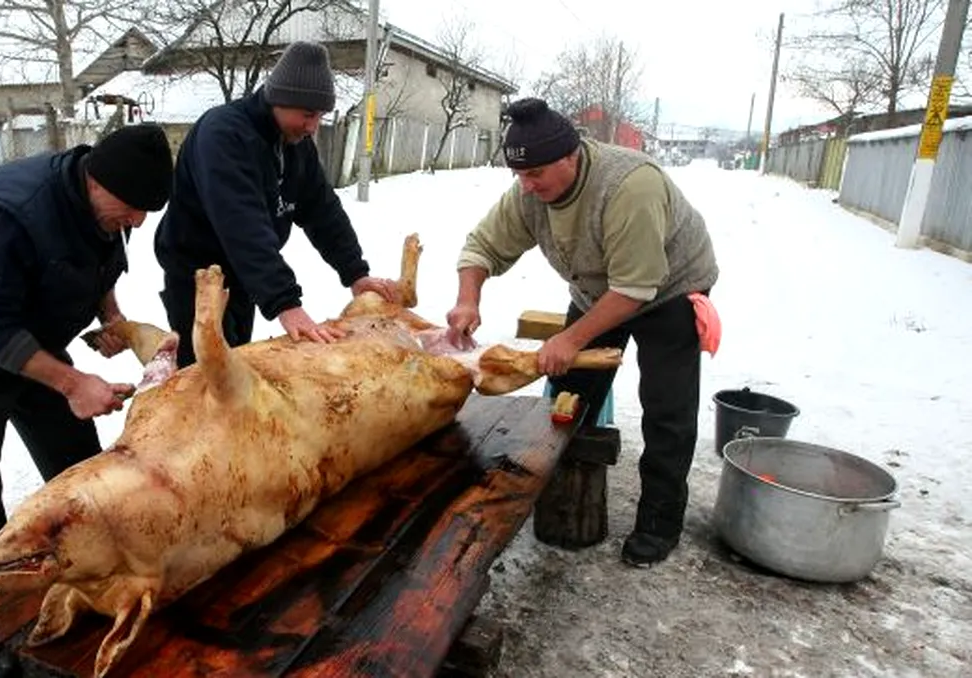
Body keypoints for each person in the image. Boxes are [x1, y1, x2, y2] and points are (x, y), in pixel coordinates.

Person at [0, 123, 174, 637]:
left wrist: (111, 316)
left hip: (35, 344)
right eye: (132, 209)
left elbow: (101, 265)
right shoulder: (8, 214)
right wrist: (74, 384)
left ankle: (88, 577)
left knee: (79, 469)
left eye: (144, 214)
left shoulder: (105, 203)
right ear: (97, 181)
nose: (136, 221)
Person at [446, 98, 719, 567]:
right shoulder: (531, 188)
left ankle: (660, 519)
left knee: (667, 410)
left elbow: (635, 288)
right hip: (597, 290)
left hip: (669, 290)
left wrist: (571, 339)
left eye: (535, 176)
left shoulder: (629, 187)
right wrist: (468, 298)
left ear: (571, 156)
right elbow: (482, 245)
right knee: (568, 398)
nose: (526, 188)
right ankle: (564, 494)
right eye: (519, 177)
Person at [153, 40, 398, 366]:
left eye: (320, 116)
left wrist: (355, 273)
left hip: (243, 276)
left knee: (240, 366)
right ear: (278, 100)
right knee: (205, 377)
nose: (313, 127)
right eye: (308, 115)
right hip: (197, 278)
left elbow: (323, 211)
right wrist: (285, 303)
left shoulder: (296, 144)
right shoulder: (224, 135)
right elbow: (242, 225)